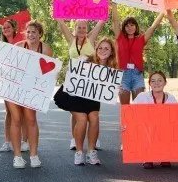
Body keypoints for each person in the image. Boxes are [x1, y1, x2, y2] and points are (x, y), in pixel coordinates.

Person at [55, 37, 115, 166]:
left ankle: (92, 152)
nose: (103, 50)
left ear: (111, 52)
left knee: (94, 117)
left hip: (92, 97)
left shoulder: (111, 67)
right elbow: (69, 72)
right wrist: (72, 70)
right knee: (82, 119)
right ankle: (79, 152)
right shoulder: (85, 59)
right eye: (100, 48)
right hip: (73, 95)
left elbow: (108, 88)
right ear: (96, 49)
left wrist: (117, 89)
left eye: (106, 48)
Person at [9, 20, 54, 169]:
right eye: (28, 32)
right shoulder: (18, 47)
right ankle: (17, 156)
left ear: (40, 34)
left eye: (34, 32)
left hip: (32, 90)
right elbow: (8, 65)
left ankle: (34, 155)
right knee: (16, 119)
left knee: (31, 119)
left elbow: (48, 73)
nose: (31, 34)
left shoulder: (46, 49)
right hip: (15, 88)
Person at [56, 18, 105, 151]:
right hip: (74, 80)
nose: (82, 30)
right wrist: (56, 8)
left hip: (90, 80)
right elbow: (61, 22)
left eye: (84, 28)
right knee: (76, 112)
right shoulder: (71, 40)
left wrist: (106, 7)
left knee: (92, 113)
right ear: (75, 28)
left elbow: (101, 22)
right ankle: (74, 138)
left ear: (87, 29)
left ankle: (93, 139)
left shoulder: (91, 38)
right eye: (79, 28)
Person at [111, 4, 165, 104]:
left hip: (137, 75)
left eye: (132, 25)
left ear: (136, 27)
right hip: (123, 76)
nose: (129, 27)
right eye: (127, 26)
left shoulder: (141, 39)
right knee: (125, 108)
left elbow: (153, 27)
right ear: (124, 28)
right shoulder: (120, 37)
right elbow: (115, 21)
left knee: (139, 107)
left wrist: (163, 11)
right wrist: (114, 5)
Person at [131, 71, 178, 169]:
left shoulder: (171, 99)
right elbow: (130, 114)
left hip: (164, 130)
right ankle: (147, 156)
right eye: (153, 81)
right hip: (147, 130)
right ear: (149, 84)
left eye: (159, 80)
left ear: (165, 83)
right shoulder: (142, 97)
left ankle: (165, 155)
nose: (156, 83)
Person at [0, 18, 29, 153]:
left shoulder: (22, 43)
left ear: (13, 29)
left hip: (21, 81)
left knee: (22, 113)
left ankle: (25, 141)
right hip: (7, 82)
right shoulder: (0, 45)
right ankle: (7, 141)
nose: (5, 30)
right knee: (9, 113)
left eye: (8, 27)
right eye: (4, 28)